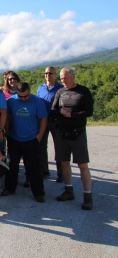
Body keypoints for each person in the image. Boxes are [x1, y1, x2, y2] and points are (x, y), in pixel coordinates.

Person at [52, 67, 94, 210]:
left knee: (82, 165)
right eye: (62, 78)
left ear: (73, 77)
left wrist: (73, 115)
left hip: (78, 133)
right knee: (64, 162)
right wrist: (60, 112)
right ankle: (68, 190)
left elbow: (89, 111)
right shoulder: (60, 92)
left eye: (65, 78)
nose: (63, 80)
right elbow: (53, 110)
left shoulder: (83, 91)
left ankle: (88, 196)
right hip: (62, 133)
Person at [2, 82, 47, 203]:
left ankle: (38, 193)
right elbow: (6, 115)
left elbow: (43, 119)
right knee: (12, 165)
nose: (23, 98)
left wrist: (39, 136)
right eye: (20, 96)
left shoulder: (37, 102)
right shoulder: (11, 101)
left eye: (25, 96)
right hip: (14, 138)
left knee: (33, 167)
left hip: (31, 139)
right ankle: (10, 188)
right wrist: (6, 130)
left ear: (29, 92)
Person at [37, 66, 64, 181]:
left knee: (59, 147)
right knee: (41, 147)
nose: (48, 75)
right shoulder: (40, 88)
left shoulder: (61, 88)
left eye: (50, 73)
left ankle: (61, 173)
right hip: (43, 120)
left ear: (55, 75)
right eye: (46, 73)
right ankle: (44, 170)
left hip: (56, 121)